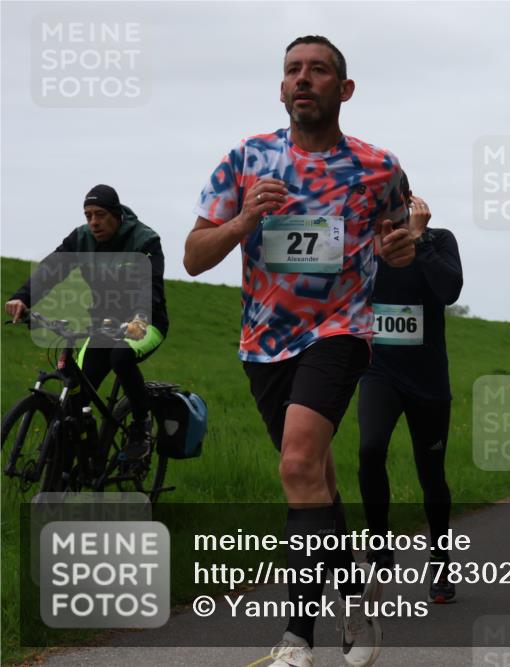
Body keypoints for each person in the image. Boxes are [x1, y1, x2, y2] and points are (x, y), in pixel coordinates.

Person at [183, 35, 414, 667]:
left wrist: (401, 247)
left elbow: (401, 233)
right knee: (313, 476)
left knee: (295, 465)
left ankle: (297, 638)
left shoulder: (379, 167)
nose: (303, 79)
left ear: (345, 89)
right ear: (281, 88)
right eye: (292, 70)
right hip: (265, 343)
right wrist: (241, 222)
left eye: (317, 70)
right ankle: (355, 592)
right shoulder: (247, 158)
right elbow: (193, 258)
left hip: (340, 332)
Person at [357, 175, 462, 604]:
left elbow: (450, 291)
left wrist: (418, 241)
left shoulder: (439, 239)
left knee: (431, 474)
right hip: (379, 372)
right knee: (370, 450)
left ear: (408, 200)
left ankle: (441, 560)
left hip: (428, 379)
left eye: (391, 198)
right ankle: (379, 546)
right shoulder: (363, 243)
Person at [5, 184, 168, 460]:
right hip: (104, 325)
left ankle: (141, 425)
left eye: (100, 214)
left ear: (116, 214)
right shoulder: (81, 239)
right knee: (75, 394)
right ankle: (73, 465)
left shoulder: (144, 241)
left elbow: (149, 287)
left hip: (146, 323)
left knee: (121, 356)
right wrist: (23, 298)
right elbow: (51, 269)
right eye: (88, 215)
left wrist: (140, 318)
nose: (94, 222)